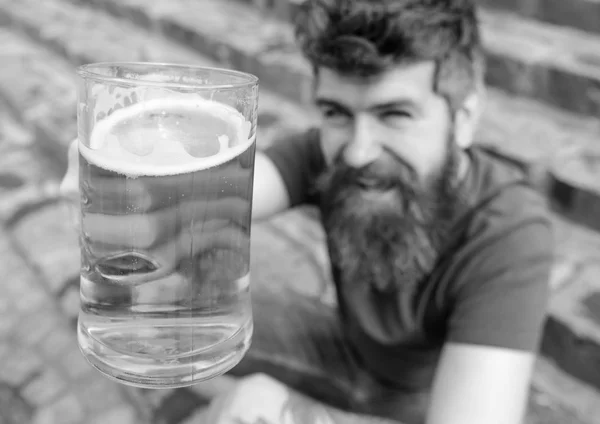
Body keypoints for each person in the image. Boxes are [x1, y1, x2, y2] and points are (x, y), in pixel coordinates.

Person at [61, 0, 554, 423]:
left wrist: (293, 410)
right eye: (337, 112)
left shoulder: (513, 231)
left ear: (464, 118)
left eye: (395, 114)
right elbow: (204, 208)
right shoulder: (325, 152)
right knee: (152, 310)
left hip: (419, 398)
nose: (359, 151)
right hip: (339, 343)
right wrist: (126, 195)